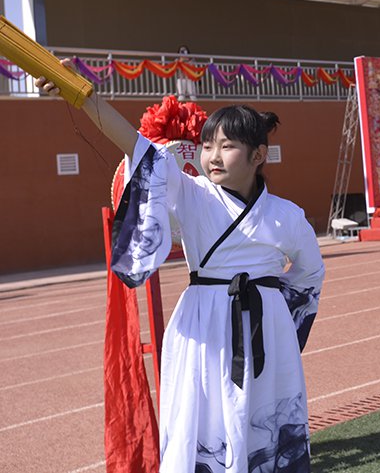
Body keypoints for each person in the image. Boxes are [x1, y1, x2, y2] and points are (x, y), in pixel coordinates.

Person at [35, 65, 325, 471]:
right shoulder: (192, 193)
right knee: (202, 419)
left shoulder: (287, 215)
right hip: (203, 324)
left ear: (258, 155)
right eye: (207, 146)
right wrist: (84, 97)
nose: (212, 156)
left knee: (261, 421)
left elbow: (310, 272)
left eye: (227, 146)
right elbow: (138, 147)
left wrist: (280, 318)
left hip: (264, 330)